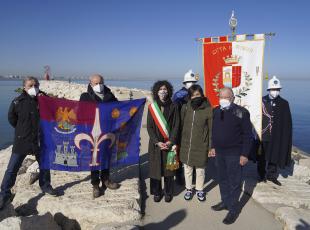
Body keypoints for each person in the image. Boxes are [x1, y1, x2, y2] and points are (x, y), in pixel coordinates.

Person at [0, 77, 56, 210]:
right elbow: (11, 118)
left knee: (44, 165)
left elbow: (54, 114)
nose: (34, 87)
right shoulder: (17, 102)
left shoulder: (44, 100)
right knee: (12, 168)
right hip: (22, 140)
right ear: (24, 87)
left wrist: (45, 99)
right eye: (30, 85)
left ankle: (46, 186)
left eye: (36, 85)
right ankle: (4, 194)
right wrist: (22, 130)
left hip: (39, 140)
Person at [209, 87, 252, 225]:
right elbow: (213, 131)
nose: (223, 100)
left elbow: (247, 135)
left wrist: (245, 154)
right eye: (221, 97)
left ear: (233, 98)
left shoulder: (242, 112)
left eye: (226, 97)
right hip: (219, 153)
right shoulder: (216, 111)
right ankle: (225, 202)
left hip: (234, 153)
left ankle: (233, 210)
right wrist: (212, 147)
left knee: (234, 182)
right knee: (222, 179)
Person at [80, 74, 120, 199]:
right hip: (92, 133)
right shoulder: (85, 97)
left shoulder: (109, 95)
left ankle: (106, 180)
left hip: (107, 131)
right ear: (90, 83)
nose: (99, 85)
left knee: (106, 157)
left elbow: (118, 109)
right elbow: (80, 113)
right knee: (94, 159)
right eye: (96, 83)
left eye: (100, 82)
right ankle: (95, 185)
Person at [147, 80, 180, 203]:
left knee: (169, 169)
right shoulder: (152, 107)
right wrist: (157, 142)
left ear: (169, 91)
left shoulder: (174, 105)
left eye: (165, 89)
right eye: (160, 89)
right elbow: (149, 127)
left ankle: (168, 192)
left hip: (169, 144)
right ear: (156, 91)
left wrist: (171, 141)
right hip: (156, 145)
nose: (163, 91)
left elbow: (177, 125)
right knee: (155, 170)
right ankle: (156, 192)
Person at [257, 76, 292, 186]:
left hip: (276, 135)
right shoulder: (261, 100)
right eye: (273, 89)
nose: (275, 92)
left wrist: (285, 136)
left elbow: (287, 121)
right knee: (262, 155)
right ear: (268, 90)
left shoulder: (284, 103)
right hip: (263, 134)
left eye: (277, 90)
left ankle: (271, 176)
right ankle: (261, 175)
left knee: (274, 155)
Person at [179, 85, 212, 202]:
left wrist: (210, 147)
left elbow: (211, 129)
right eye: (192, 95)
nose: (195, 97)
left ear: (202, 95)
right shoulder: (186, 107)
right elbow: (181, 125)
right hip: (187, 143)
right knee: (187, 168)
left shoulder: (208, 109)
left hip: (201, 145)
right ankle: (188, 189)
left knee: (200, 169)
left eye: (197, 95)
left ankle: (199, 189)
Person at [172, 69, 199, 185]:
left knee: (191, 152)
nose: (191, 84)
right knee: (178, 153)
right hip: (180, 129)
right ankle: (178, 175)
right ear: (185, 83)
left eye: (193, 82)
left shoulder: (197, 94)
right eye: (189, 82)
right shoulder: (178, 95)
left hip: (193, 128)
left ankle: (191, 175)